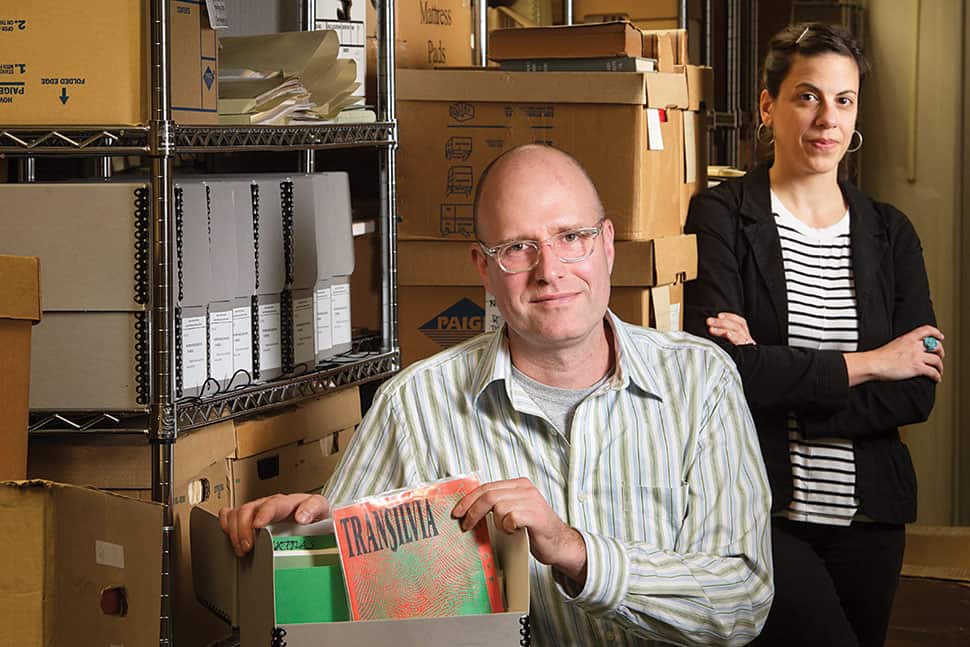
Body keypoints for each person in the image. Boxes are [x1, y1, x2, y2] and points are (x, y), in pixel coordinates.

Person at [221, 144, 773, 646]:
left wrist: (576, 553)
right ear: (483, 268)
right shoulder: (414, 404)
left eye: (571, 238)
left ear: (606, 246)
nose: (549, 271)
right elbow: (340, 599)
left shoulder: (701, 382)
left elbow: (741, 603)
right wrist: (300, 536)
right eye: (517, 248)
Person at [684, 22, 944, 647]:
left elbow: (917, 393)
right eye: (807, 96)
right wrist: (875, 362)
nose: (827, 118)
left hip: (871, 519)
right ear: (768, 105)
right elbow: (728, 377)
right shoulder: (722, 215)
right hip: (766, 515)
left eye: (843, 100)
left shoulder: (890, 233)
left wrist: (783, 372)